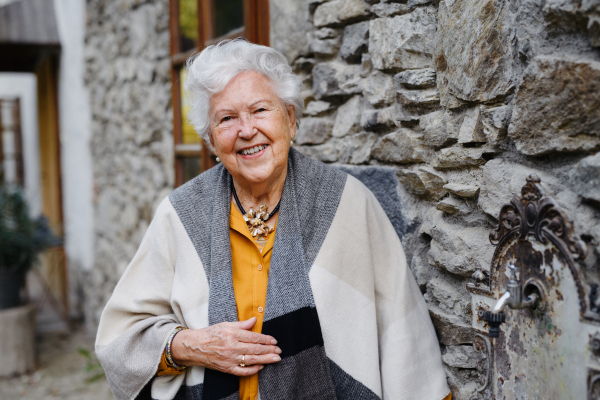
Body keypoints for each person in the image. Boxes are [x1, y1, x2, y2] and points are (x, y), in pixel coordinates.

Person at [96, 38, 451, 400]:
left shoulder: (347, 203)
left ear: (291, 120)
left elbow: (402, 337)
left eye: (260, 110)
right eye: (227, 119)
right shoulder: (181, 215)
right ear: (212, 142)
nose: (246, 130)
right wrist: (189, 345)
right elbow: (120, 339)